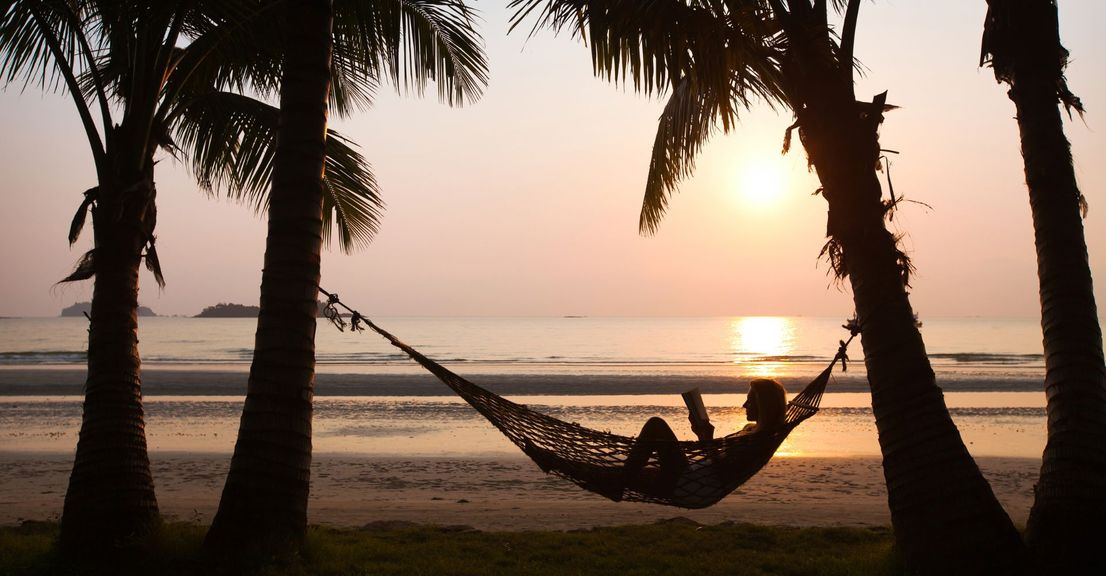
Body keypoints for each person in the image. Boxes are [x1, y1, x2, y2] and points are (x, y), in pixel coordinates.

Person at [620, 378, 788, 503]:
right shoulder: (752, 431)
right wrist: (702, 434)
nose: (744, 405)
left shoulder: (757, 442)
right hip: (692, 476)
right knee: (613, 474)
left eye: (750, 401)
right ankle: (618, 482)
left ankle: (618, 484)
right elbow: (717, 463)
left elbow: (723, 473)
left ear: (764, 406)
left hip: (689, 485)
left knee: (656, 425)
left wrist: (707, 439)